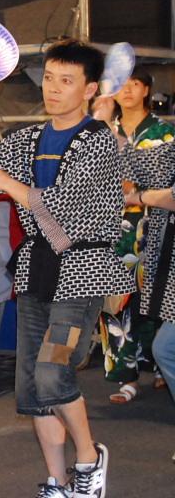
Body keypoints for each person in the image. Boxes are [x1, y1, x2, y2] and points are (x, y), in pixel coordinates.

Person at [0, 38, 134, 498]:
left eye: (66, 81)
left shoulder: (98, 142)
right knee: (33, 386)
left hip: (82, 273)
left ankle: (89, 458)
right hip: (37, 271)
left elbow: (60, 207)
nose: (53, 89)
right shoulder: (29, 138)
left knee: (53, 370)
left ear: (90, 89)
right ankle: (58, 480)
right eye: (49, 78)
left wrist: (6, 183)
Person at [93, 70, 175, 403]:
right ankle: (125, 376)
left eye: (135, 85)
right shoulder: (102, 129)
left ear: (146, 90)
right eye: (121, 85)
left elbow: (164, 183)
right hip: (115, 229)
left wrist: (137, 190)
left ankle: (158, 363)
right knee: (116, 301)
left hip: (157, 228)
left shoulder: (164, 132)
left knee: (157, 299)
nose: (127, 91)